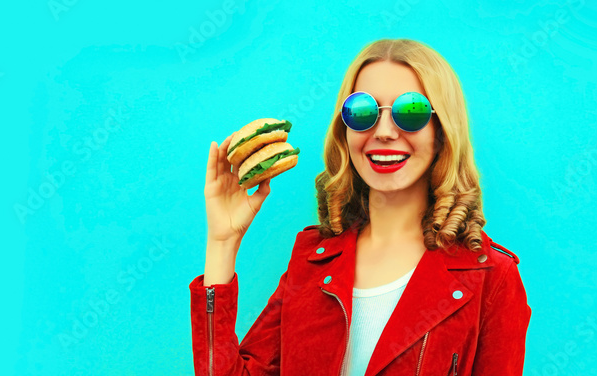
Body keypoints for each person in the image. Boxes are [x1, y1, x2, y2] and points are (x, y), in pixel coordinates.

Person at [191, 38, 531, 376]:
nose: (383, 132)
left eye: (410, 112)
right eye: (362, 112)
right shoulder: (311, 260)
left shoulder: (491, 278)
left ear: (442, 130)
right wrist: (222, 242)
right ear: (346, 130)